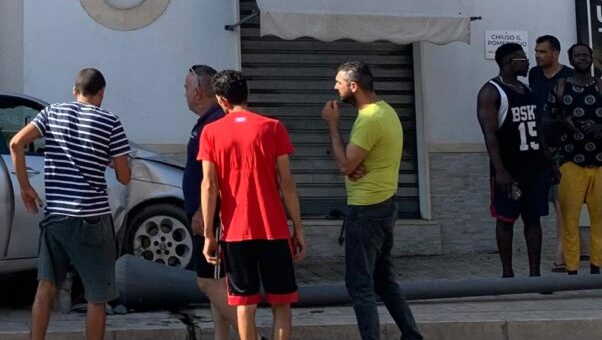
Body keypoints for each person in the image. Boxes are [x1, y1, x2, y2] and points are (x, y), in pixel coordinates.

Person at [9, 68, 132, 340]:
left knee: (46, 287)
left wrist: (25, 187)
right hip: (92, 218)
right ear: (101, 93)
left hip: (55, 219)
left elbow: (16, 143)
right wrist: (110, 159)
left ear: (74, 91)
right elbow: (124, 177)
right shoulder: (110, 121)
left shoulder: (52, 113)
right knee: (96, 297)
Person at [199, 70, 306, 340]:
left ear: (222, 100)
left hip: (236, 232)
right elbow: (287, 182)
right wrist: (298, 228)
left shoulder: (211, 132)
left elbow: (209, 185)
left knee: (244, 305)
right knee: (281, 303)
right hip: (274, 229)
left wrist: (209, 235)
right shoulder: (273, 127)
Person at [322, 61, 422, 340]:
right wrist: (353, 164)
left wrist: (332, 125)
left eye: (339, 82)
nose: (335, 87)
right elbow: (355, 162)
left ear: (353, 86)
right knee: (384, 281)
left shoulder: (369, 119)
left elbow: (344, 165)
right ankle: (411, 334)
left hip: (366, 211)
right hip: (385, 206)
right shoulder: (386, 111)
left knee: (360, 285)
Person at [476, 43, 553, 278]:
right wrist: (500, 171)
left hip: (535, 167)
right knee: (505, 221)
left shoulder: (526, 90)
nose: (528, 62)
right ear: (509, 62)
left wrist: (549, 161)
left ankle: (534, 275)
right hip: (510, 170)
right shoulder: (491, 91)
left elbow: (538, 130)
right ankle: (507, 275)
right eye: (523, 59)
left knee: (534, 221)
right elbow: (489, 135)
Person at [181, 64, 234, 339]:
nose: (185, 93)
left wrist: (203, 211)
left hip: (213, 217)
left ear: (199, 92)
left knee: (206, 282)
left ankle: (253, 335)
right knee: (219, 284)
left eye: (187, 87)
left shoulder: (213, 123)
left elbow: (217, 175)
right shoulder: (207, 121)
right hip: (209, 214)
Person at [546, 43, 602, 275]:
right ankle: (571, 269)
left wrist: (600, 127)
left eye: (585, 55)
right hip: (571, 162)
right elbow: (545, 123)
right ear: (570, 59)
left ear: (591, 59)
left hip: (600, 163)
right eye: (577, 55)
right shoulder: (560, 88)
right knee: (570, 220)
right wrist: (563, 122)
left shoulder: (600, 86)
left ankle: (597, 268)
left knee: (600, 220)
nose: (582, 58)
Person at [528, 34, 574, 273]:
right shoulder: (534, 75)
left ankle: (561, 256)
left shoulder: (567, 77)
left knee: (560, 201)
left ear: (555, 53)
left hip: (561, 146)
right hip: (537, 144)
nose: (537, 56)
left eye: (543, 52)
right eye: (536, 51)